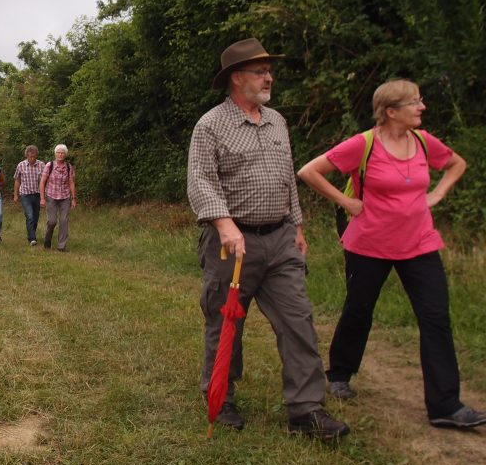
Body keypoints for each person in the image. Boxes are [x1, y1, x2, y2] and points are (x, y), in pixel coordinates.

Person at [297, 79, 483, 428]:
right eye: (415, 102)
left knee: (436, 317)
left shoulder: (424, 142)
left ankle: (445, 405)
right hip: (370, 244)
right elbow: (309, 171)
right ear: (391, 111)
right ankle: (339, 373)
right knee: (359, 308)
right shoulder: (363, 144)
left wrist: (438, 194)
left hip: (420, 244)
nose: (422, 107)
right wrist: (346, 201)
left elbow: (456, 164)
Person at [187, 37, 349, 439]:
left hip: (279, 240)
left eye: (268, 70)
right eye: (260, 71)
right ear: (236, 78)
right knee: (226, 321)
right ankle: (221, 397)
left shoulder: (277, 121)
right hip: (231, 243)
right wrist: (224, 224)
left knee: (298, 319)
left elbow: (287, 177)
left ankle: (306, 410)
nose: (268, 77)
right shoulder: (211, 125)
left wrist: (296, 224)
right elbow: (201, 181)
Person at [39, 144, 76, 251]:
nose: (60, 154)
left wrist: (73, 198)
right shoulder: (49, 165)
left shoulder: (69, 167)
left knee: (64, 220)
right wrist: (42, 198)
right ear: (55, 154)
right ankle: (47, 239)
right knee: (52, 221)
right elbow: (42, 182)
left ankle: (61, 246)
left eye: (62, 153)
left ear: (65, 155)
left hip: (65, 197)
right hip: (51, 196)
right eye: (58, 152)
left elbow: (71, 183)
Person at [13, 145, 46, 246]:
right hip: (25, 194)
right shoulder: (21, 165)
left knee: (35, 216)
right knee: (30, 215)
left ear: (36, 155)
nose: (32, 158)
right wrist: (15, 194)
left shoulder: (41, 165)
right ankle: (32, 238)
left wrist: (43, 195)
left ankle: (32, 233)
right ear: (27, 155)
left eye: (34, 156)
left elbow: (44, 181)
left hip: (37, 194)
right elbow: (17, 180)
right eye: (30, 156)